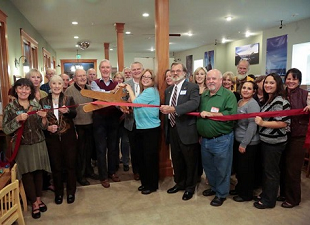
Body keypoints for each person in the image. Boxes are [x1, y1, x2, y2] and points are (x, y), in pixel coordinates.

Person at [3, 78, 51, 219]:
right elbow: (6, 129)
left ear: (30, 91)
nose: (23, 91)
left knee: (38, 173)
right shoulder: (10, 108)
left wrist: (43, 118)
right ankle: (34, 204)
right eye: (20, 88)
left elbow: (43, 127)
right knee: (27, 174)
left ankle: (38, 199)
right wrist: (17, 120)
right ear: (16, 90)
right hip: (22, 146)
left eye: (27, 88)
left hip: (38, 143)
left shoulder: (36, 105)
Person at [160, 62, 200, 201]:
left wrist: (174, 109)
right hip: (172, 130)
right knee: (176, 160)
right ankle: (180, 183)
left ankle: (190, 187)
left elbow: (194, 103)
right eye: (173, 71)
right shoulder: (169, 90)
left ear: (184, 72)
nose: (175, 73)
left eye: (178, 70)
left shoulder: (192, 87)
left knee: (190, 161)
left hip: (187, 131)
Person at [197, 69, 237, 207]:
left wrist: (211, 114)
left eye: (214, 79)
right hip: (205, 140)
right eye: (208, 79)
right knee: (209, 168)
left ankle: (221, 194)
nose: (211, 81)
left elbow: (231, 115)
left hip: (222, 139)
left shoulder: (228, 95)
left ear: (220, 80)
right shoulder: (205, 95)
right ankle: (214, 188)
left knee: (222, 169)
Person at [254, 73, 290, 209]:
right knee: (268, 170)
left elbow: (283, 123)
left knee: (271, 172)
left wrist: (262, 123)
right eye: (266, 83)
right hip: (267, 141)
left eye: (271, 83)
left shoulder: (280, 101)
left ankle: (269, 200)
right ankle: (267, 194)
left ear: (278, 85)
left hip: (274, 143)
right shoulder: (270, 100)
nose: (268, 85)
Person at [40, 75, 77, 205]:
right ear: (50, 85)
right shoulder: (43, 101)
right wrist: (47, 128)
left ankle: (71, 192)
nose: (56, 86)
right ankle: (59, 193)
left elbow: (74, 114)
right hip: (52, 138)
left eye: (59, 83)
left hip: (68, 137)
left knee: (70, 165)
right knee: (56, 167)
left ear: (63, 85)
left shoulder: (68, 98)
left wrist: (67, 111)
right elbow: (41, 120)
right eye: (54, 83)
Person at [123, 69, 160, 194]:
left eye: (148, 77)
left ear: (153, 80)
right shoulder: (145, 91)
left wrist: (129, 89)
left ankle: (152, 185)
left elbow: (136, 103)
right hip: (142, 128)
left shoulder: (150, 91)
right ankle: (145, 183)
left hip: (150, 129)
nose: (145, 79)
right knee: (143, 158)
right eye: (144, 76)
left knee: (149, 159)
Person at [280, 68, 309, 208]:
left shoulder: (305, 95)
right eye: (289, 78)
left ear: (299, 80)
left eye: (294, 79)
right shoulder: (282, 93)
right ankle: (284, 194)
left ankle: (293, 199)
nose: (291, 81)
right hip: (283, 134)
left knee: (293, 169)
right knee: (284, 167)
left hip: (299, 136)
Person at [65, 69, 99, 186]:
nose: (83, 78)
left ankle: (89, 171)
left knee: (89, 150)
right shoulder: (69, 91)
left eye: (84, 75)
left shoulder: (90, 89)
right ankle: (80, 175)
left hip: (90, 124)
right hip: (77, 126)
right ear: (74, 78)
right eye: (80, 76)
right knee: (80, 152)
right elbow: (68, 111)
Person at [91, 59, 122, 188]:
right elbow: (99, 95)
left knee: (113, 147)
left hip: (113, 119)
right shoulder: (94, 83)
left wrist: (115, 94)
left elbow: (119, 99)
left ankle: (112, 172)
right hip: (99, 119)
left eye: (107, 67)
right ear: (100, 69)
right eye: (103, 67)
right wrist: (113, 93)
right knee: (101, 148)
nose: (105, 69)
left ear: (111, 69)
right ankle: (103, 176)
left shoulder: (116, 83)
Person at [232, 81, 260, 202]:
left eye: (249, 89)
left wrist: (244, 143)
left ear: (254, 91)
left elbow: (252, 126)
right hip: (238, 139)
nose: (246, 90)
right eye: (244, 88)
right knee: (240, 168)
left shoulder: (253, 105)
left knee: (246, 170)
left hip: (249, 143)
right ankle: (240, 188)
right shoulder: (239, 102)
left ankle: (246, 194)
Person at [123, 62, 144, 181]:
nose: (136, 71)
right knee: (134, 149)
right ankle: (136, 171)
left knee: (144, 148)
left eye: (138, 69)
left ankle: (145, 170)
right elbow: (119, 101)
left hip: (145, 121)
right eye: (134, 69)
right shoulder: (126, 84)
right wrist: (124, 107)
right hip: (131, 122)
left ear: (142, 70)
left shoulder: (147, 83)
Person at [113, 71, 130, 172]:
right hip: (114, 119)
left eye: (121, 78)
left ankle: (126, 162)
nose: (119, 80)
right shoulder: (112, 90)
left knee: (125, 142)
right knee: (115, 142)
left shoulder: (127, 91)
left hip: (124, 119)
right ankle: (115, 162)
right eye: (117, 78)